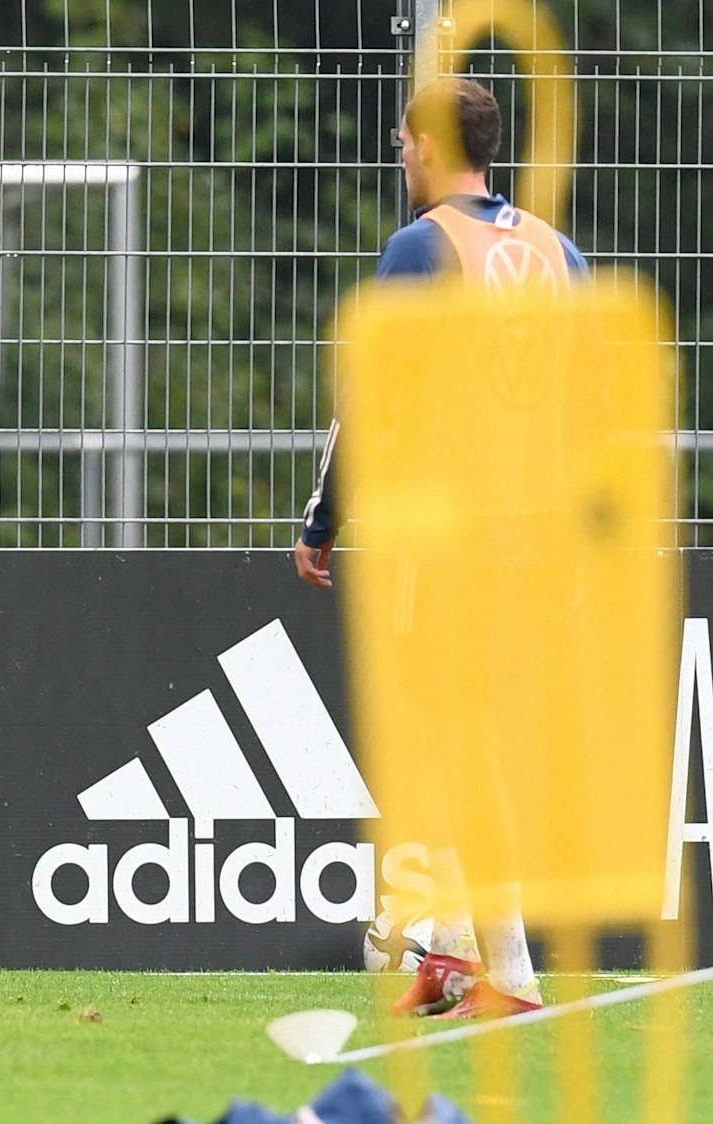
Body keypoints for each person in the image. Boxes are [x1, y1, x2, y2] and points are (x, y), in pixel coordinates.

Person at [295, 77, 584, 1019]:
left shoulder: (421, 247)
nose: (399, 155)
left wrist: (323, 518)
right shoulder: (555, 250)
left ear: (428, 144)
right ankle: (479, 963)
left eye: (404, 140)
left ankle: (484, 967)